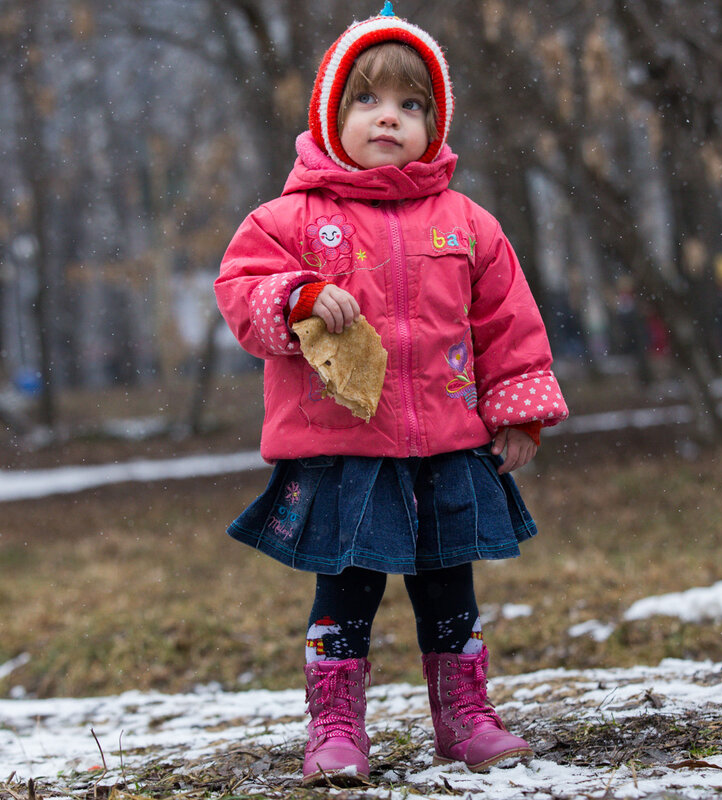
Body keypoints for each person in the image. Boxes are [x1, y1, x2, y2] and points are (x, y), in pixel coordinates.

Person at [213, 3, 568, 785]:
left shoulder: (468, 223)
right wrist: (299, 297)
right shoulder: (291, 219)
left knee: (449, 585)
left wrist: (520, 413)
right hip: (347, 449)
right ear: (331, 114)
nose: (390, 119)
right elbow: (240, 294)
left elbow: (506, 320)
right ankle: (335, 728)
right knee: (348, 589)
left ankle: (465, 716)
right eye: (368, 100)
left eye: (412, 105)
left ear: (434, 124)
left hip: (448, 441)